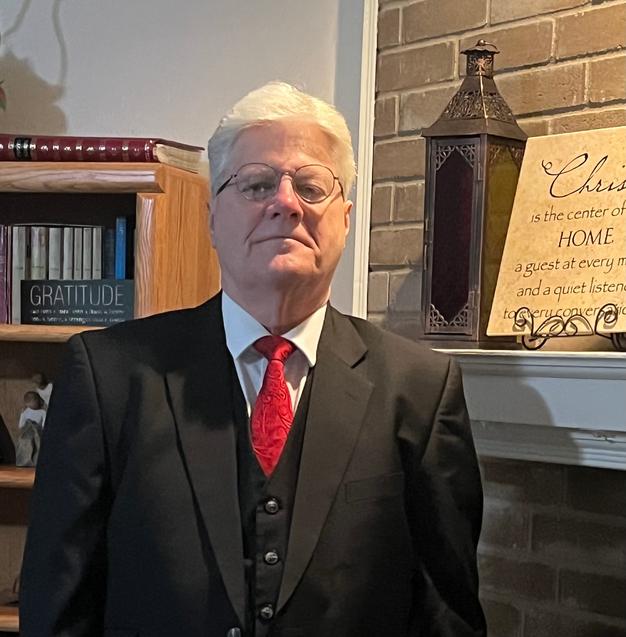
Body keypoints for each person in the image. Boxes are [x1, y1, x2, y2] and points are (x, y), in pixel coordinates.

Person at [21, 81, 486, 637]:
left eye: (311, 186)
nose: (285, 202)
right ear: (212, 218)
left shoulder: (422, 389)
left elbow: (447, 615)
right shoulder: (108, 376)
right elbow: (57, 609)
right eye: (257, 183)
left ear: (345, 219)